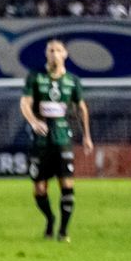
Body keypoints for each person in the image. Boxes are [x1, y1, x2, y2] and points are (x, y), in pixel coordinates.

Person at [20, 39, 92, 240]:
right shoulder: (35, 77)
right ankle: (50, 219)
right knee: (39, 188)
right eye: (50, 50)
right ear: (46, 54)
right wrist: (34, 121)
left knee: (66, 184)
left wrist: (86, 136)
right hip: (40, 141)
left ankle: (63, 230)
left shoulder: (72, 81)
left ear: (65, 54)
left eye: (58, 50)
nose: (54, 54)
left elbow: (81, 108)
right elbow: (25, 103)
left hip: (62, 139)